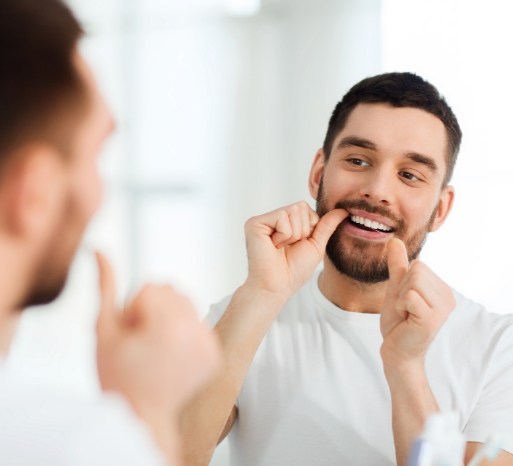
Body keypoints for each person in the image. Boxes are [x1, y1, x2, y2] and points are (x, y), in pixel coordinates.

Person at [181, 72, 513, 466]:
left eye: (409, 175)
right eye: (357, 160)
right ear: (319, 172)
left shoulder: (498, 348)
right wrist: (263, 296)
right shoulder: (239, 319)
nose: (377, 190)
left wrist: (406, 369)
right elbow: (170, 455)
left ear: (440, 209)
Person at [0, 0, 219, 465]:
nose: (100, 193)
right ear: (35, 193)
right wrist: (149, 418)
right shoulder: (74, 448)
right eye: (95, 154)